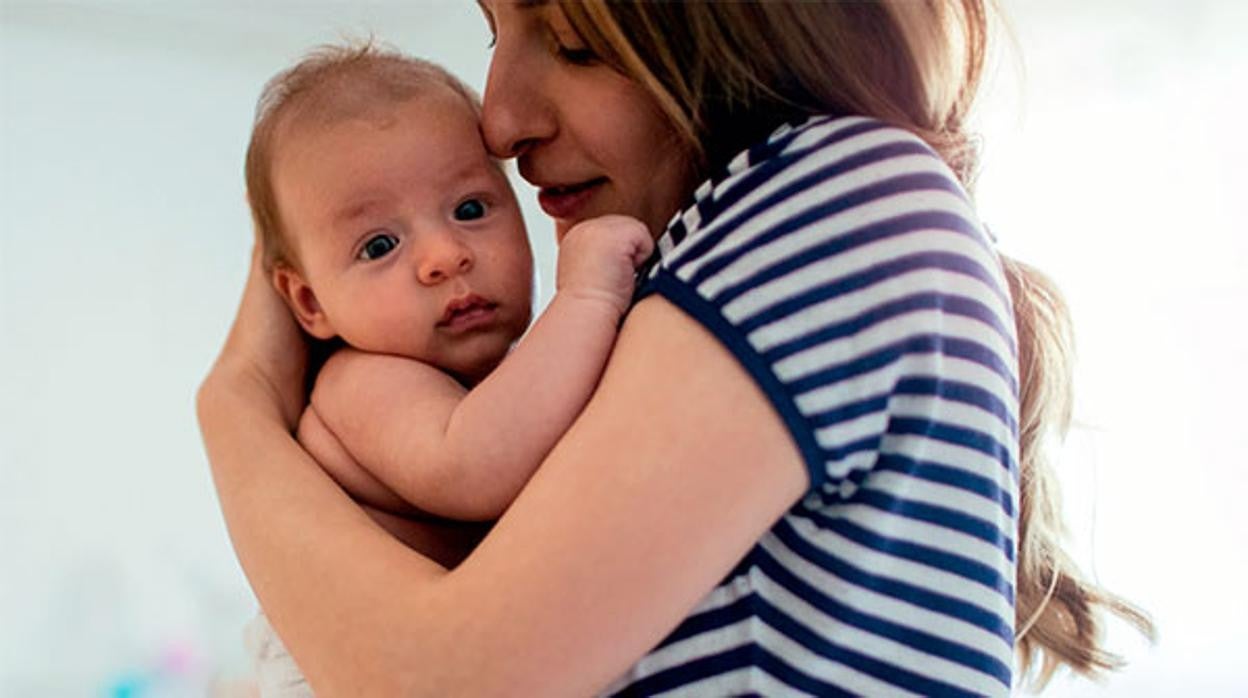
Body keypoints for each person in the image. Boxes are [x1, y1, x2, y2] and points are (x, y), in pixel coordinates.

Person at [199, 2, 1151, 695]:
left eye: (572, 43)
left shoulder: (827, 197)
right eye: (495, 32)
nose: (497, 121)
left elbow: (456, 680)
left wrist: (237, 407)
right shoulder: (697, 264)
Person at [236, 43, 652, 695]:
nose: (444, 256)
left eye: (470, 209)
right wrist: (588, 297)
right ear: (311, 302)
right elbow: (473, 465)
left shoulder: (504, 377)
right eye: (379, 245)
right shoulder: (360, 382)